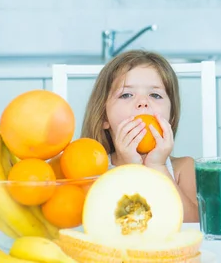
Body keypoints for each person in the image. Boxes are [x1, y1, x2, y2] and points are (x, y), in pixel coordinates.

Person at [80, 50, 200, 222]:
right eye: (126, 94)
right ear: (104, 117)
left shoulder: (183, 169)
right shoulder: (93, 172)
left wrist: (157, 166)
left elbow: (192, 224)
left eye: (155, 95)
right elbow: (102, 225)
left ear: (171, 118)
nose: (143, 102)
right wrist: (132, 169)